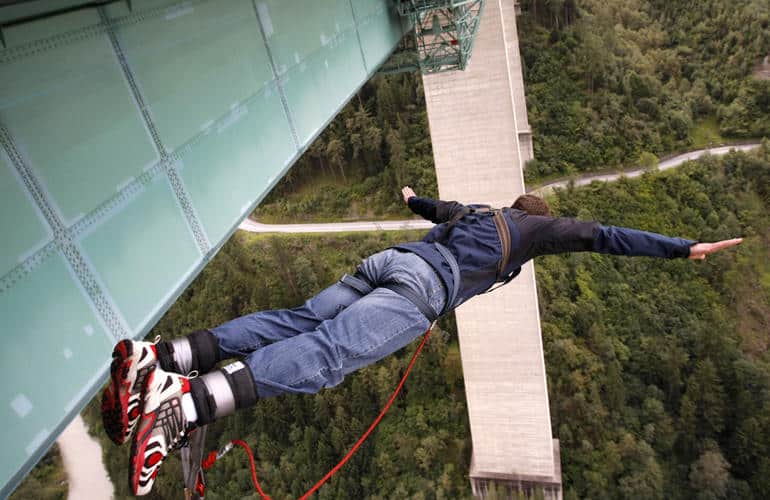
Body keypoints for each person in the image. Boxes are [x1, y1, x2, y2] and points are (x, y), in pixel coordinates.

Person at [102, 187, 743, 495]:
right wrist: (683, 249)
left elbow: (437, 209)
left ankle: (166, 356)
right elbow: (604, 235)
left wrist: (412, 198)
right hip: (416, 293)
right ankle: (179, 407)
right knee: (326, 358)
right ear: (541, 221)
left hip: (388, 262)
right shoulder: (534, 233)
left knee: (300, 320)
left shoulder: (482, 213)